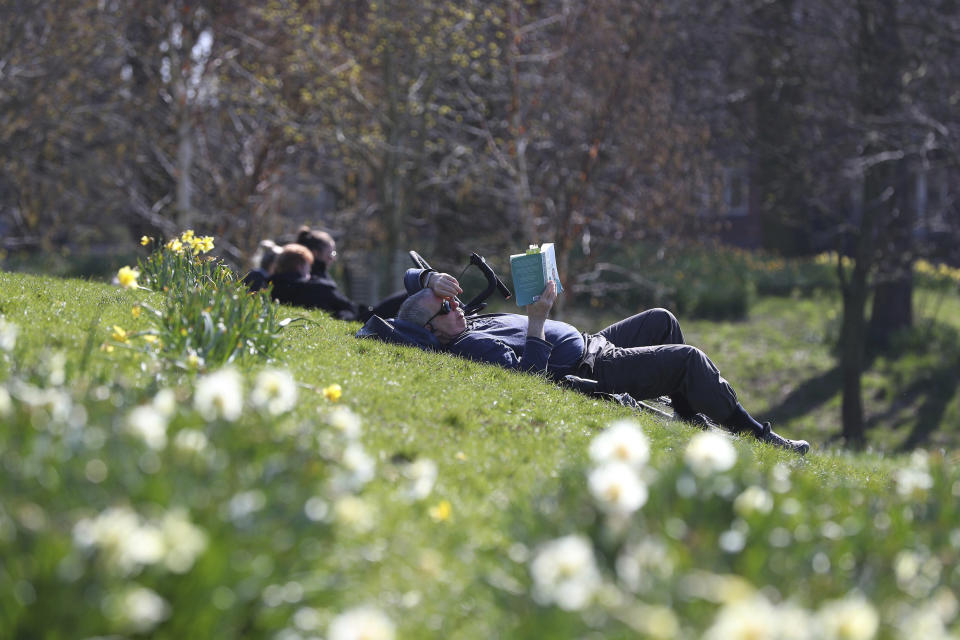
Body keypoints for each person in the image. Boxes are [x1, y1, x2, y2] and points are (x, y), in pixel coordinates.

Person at [396, 268, 810, 454]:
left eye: (452, 300)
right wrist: (538, 320)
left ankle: (689, 419)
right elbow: (529, 376)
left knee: (661, 320)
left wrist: (430, 281)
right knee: (688, 360)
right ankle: (758, 435)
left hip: (593, 342)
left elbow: (410, 279)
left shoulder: (465, 321)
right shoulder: (469, 346)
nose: (456, 306)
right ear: (432, 330)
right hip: (590, 369)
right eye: (446, 306)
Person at [294, 226, 407, 320]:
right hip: (359, 318)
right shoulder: (315, 281)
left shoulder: (316, 276)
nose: (333, 259)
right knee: (408, 295)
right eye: (331, 253)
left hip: (358, 314)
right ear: (315, 253)